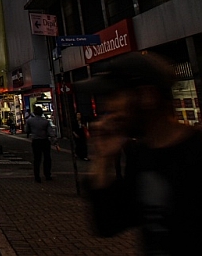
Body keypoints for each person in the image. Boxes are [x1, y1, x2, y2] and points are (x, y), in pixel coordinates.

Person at [81, 52, 202, 254]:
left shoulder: (195, 152)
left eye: (115, 96)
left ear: (147, 96)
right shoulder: (141, 154)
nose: (108, 107)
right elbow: (109, 225)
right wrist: (103, 160)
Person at [25, 106, 52, 182]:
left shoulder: (30, 121)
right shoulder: (46, 121)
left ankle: (37, 176)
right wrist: (55, 141)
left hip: (36, 141)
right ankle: (47, 174)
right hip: (45, 140)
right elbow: (50, 132)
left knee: (37, 159)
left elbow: (27, 130)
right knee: (47, 158)